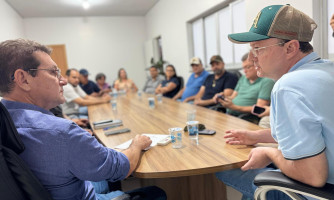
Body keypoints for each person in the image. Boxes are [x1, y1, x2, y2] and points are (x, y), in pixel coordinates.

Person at [0, 39, 166, 200]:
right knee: (155, 193)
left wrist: (78, 142)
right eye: (53, 72)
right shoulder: (61, 132)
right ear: (23, 79)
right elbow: (120, 167)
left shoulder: (5, 120)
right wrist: (137, 144)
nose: (63, 81)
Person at [215, 4, 334, 199]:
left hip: (318, 191)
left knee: (224, 168)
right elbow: (311, 130)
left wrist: (269, 154)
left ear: (290, 48)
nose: (252, 58)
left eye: (258, 49)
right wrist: (256, 137)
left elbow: (313, 176)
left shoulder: (289, 86)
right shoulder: (327, 70)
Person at [215, 53, 274, 124]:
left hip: (246, 118)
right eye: (244, 68)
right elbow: (232, 97)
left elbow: (259, 109)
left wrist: (235, 107)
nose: (245, 71)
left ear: (257, 65)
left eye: (248, 67)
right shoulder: (243, 78)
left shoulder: (266, 81)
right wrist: (223, 98)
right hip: (230, 114)